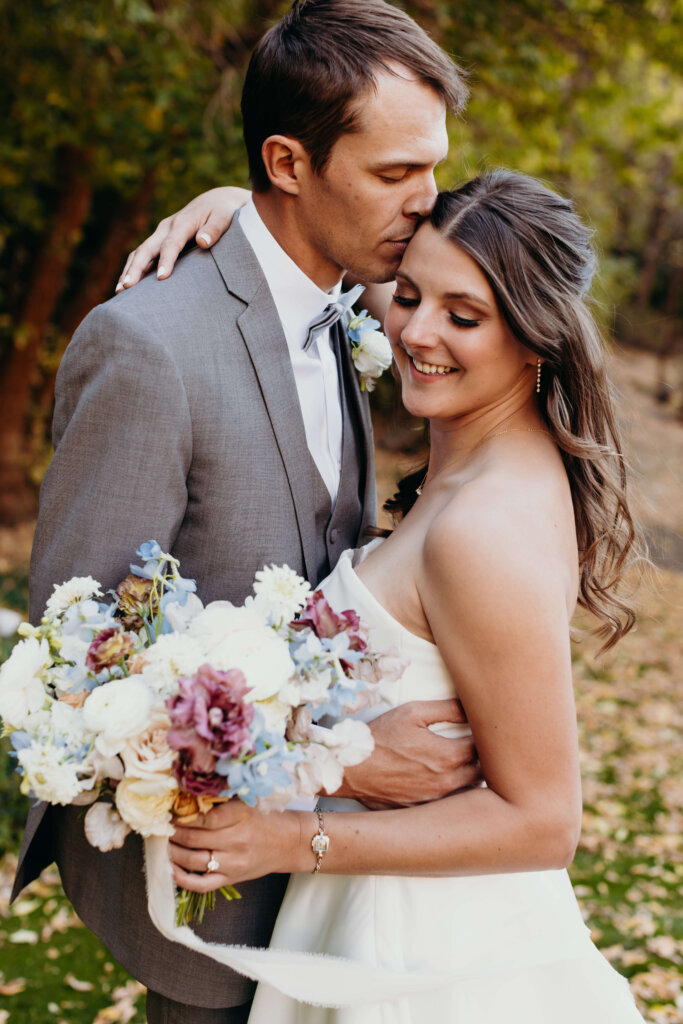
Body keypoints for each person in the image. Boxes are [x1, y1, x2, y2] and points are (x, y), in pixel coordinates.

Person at [12, 3, 479, 1022]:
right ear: (286, 160)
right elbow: (81, 654)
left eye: (432, 169)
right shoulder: (147, 347)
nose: (426, 203)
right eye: (394, 174)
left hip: (333, 860)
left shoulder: (351, 306)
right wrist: (351, 747)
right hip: (206, 880)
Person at [140, 171, 646, 1022]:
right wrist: (249, 207)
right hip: (375, 910)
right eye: (408, 295)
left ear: (535, 338)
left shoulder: (481, 530)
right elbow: (391, 286)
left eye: (462, 316)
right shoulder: (491, 443)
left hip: (426, 953)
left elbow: (544, 821)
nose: (414, 331)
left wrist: (287, 840)